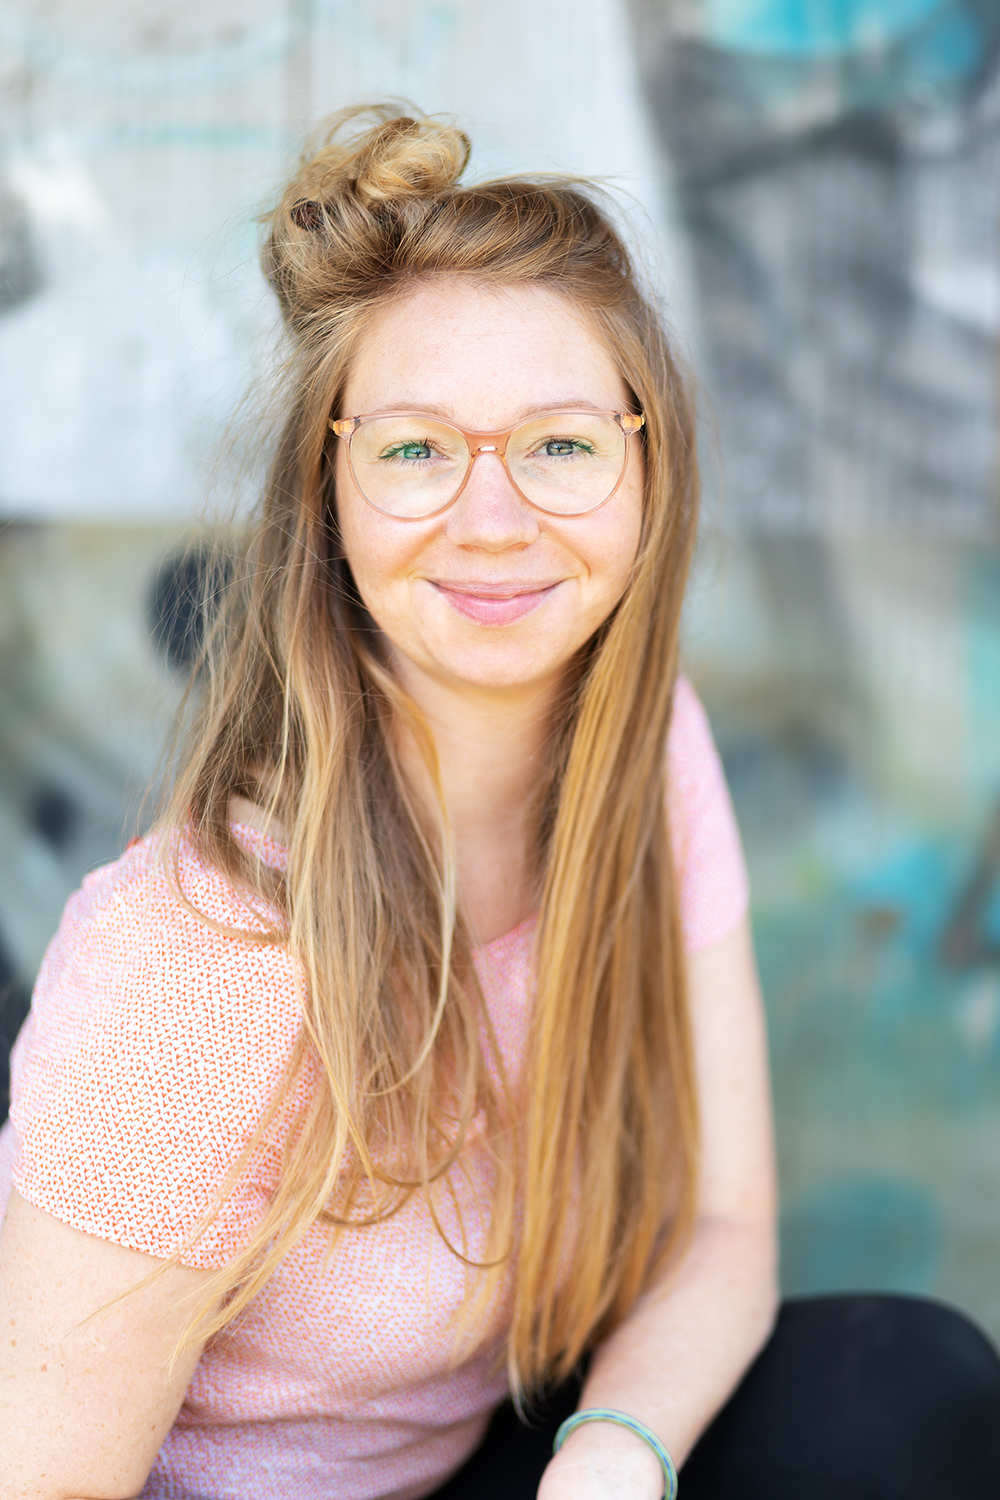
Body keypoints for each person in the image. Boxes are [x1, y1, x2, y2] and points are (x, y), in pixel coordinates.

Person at [1, 105, 999, 1500]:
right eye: (414, 450)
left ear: (646, 466)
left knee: (911, 1390)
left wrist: (617, 1453)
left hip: (488, 1462)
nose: (492, 518)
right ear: (327, 489)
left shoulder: (644, 756)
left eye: (562, 444)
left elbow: (721, 1227)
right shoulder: (201, 960)